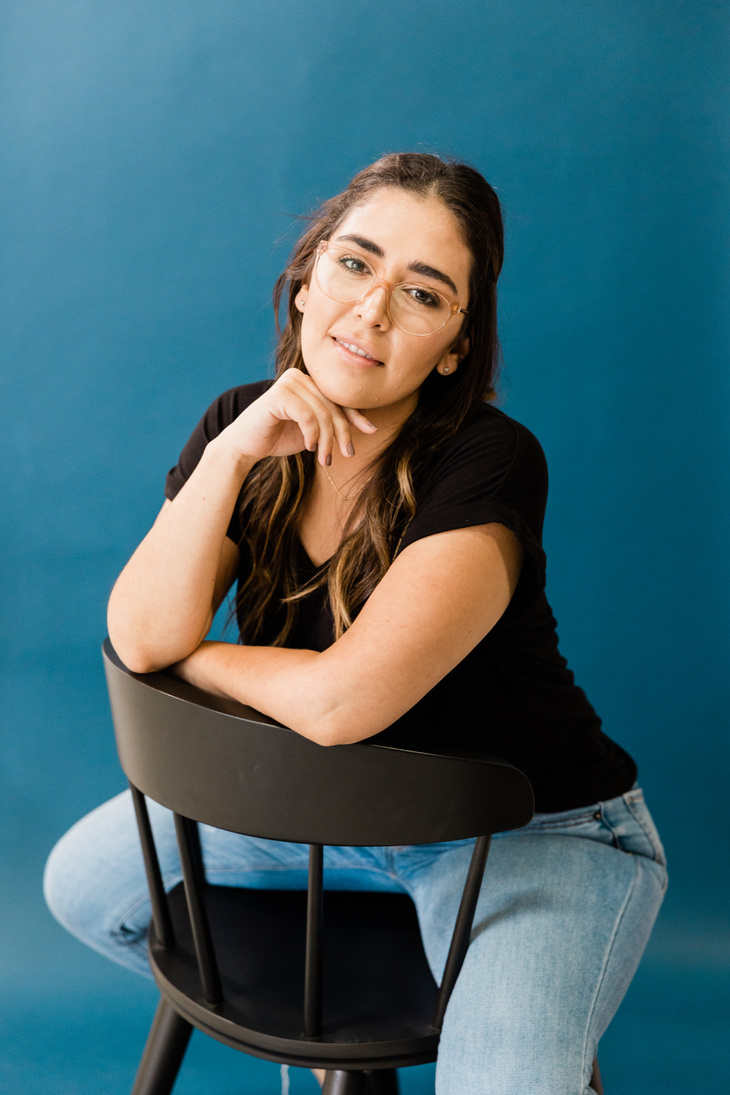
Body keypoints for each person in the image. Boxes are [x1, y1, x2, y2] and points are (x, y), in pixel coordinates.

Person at [45, 152, 667, 1094]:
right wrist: (228, 457)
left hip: (523, 826)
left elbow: (345, 704)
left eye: (422, 293)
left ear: (455, 344)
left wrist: (204, 658)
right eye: (354, 264)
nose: (371, 311)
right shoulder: (242, 424)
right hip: (318, 807)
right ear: (305, 281)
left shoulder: (492, 462)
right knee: (84, 886)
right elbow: (138, 635)